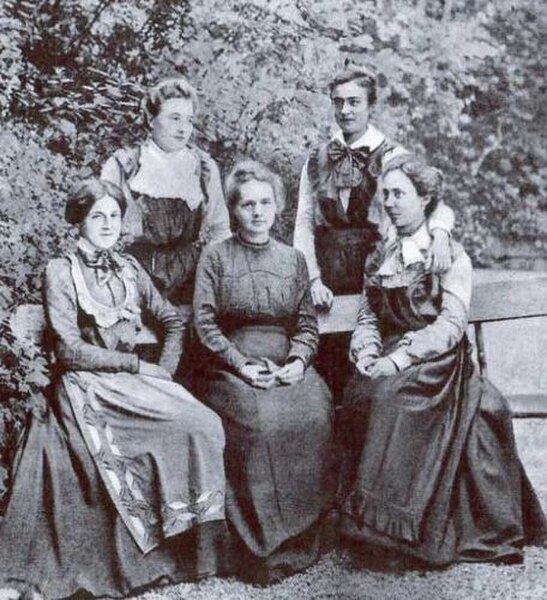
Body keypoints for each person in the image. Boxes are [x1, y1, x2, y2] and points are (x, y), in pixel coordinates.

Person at [0, 179, 226, 599]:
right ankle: (152, 552)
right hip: (85, 387)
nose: (107, 224)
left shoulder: (128, 267)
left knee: (204, 421)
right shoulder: (60, 271)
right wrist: (136, 364)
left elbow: (173, 320)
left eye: (114, 215)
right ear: (80, 221)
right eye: (97, 216)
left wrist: (165, 371)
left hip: (134, 381)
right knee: (175, 425)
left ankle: (197, 551)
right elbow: (68, 349)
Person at [338, 155, 547, 567]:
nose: (391, 202)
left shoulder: (450, 257)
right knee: (360, 392)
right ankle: (368, 527)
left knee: (393, 398)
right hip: (386, 353)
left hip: (437, 358)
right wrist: (365, 350)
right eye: (387, 194)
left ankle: (401, 533)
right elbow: (368, 315)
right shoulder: (381, 254)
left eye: (400, 194)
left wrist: (398, 361)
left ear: (426, 199)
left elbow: (450, 326)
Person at [193, 160, 334, 583]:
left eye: (265, 202)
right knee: (258, 423)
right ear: (234, 210)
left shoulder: (293, 260)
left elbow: (307, 325)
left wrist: (296, 362)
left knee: (316, 410)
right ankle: (263, 541)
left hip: (286, 361)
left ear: (278, 207)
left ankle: (304, 533)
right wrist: (241, 365)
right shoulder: (216, 258)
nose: (257, 211)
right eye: (247, 204)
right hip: (230, 367)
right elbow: (204, 322)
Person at [294, 66, 456, 397]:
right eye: (338, 102)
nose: (345, 111)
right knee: (328, 373)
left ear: (371, 105)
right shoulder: (316, 160)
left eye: (354, 102)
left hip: (376, 276)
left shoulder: (392, 155)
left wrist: (440, 235)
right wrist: (312, 279)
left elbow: (434, 204)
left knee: (368, 372)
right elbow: (303, 224)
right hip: (327, 283)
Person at [101, 77, 230, 305]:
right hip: (134, 276)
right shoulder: (123, 166)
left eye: (189, 121)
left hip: (190, 281)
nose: (183, 129)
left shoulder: (204, 169)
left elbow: (219, 232)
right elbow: (101, 231)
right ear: (151, 119)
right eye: (174, 119)